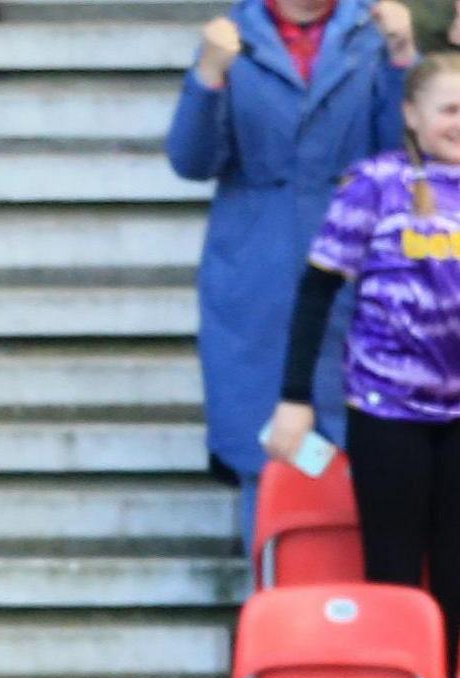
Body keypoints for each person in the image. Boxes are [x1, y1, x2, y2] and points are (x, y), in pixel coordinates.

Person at [167, 0, 416, 549]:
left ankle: (368, 620)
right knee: (270, 454)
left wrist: (402, 59)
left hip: (358, 263)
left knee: (374, 453)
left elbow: (407, 156)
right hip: (257, 273)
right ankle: (275, 612)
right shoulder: (234, 35)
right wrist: (208, 76)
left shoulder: (368, 34)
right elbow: (191, 160)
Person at [265, 53, 460, 676]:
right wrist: (295, 395)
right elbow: (318, 289)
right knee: (396, 573)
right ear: (412, 114)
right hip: (387, 410)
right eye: (449, 109)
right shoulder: (375, 182)